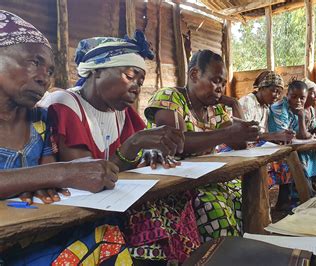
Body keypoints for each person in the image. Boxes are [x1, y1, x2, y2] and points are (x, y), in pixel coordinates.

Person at [40, 31, 188, 263]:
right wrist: (135, 144)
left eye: (140, 82)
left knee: (178, 204)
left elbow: (124, 165)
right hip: (72, 217)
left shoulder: (121, 113)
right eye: (130, 76)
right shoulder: (65, 105)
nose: (137, 87)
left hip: (108, 209)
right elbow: (89, 177)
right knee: (149, 223)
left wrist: (146, 153)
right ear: (96, 71)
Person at [0, 10, 132, 265]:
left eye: (49, 70)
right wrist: (60, 173)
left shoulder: (40, 119)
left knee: (106, 234)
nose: (43, 78)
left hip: (27, 235)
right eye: (33, 62)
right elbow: (51, 174)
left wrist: (41, 178)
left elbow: (45, 181)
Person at [136, 49, 260, 263]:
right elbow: (175, 145)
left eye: (223, 83)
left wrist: (235, 106)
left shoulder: (215, 109)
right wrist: (225, 133)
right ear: (194, 75)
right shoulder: (170, 97)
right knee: (216, 210)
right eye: (215, 81)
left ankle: (238, 258)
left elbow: (240, 143)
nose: (220, 88)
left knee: (247, 200)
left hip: (205, 179)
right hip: (171, 184)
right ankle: (215, 260)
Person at [239, 71, 295, 209]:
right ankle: (258, 202)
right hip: (238, 146)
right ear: (262, 88)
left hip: (254, 145)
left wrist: (281, 136)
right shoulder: (248, 102)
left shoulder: (265, 107)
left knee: (285, 155)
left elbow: (262, 134)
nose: (276, 96)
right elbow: (244, 134)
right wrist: (275, 136)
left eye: (279, 92)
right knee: (274, 162)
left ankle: (283, 200)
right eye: (273, 91)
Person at [268, 80, 316, 195]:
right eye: (294, 96)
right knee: (297, 154)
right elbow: (283, 137)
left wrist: (301, 116)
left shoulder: (299, 110)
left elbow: (302, 135)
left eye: (302, 98)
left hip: (286, 143)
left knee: (307, 151)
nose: (298, 101)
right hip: (272, 142)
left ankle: (300, 193)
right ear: (287, 95)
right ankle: (306, 193)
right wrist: (309, 139)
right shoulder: (280, 108)